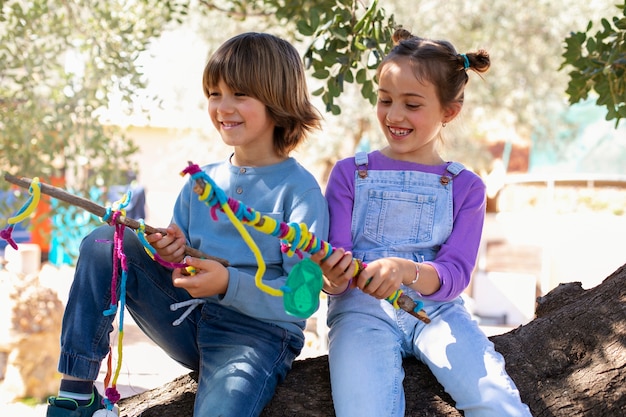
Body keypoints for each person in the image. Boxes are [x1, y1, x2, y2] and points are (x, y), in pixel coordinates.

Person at [46, 32, 329, 417]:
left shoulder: (301, 192)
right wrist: (169, 255)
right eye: (214, 94)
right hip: (186, 318)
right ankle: (76, 395)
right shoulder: (201, 184)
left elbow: (302, 301)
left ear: (278, 101)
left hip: (255, 337)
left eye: (239, 94)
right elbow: (180, 268)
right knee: (104, 242)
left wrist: (229, 284)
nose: (222, 107)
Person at [310, 28, 532, 417]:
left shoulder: (466, 186)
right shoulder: (349, 174)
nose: (394, 115)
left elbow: (455, 273)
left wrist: (404, 270)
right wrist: (331, 273)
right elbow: (335, 271)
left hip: (439, 312)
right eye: (385, 100)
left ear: (450, 111)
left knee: (495, 399)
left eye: (412, 105)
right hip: (361, 312)